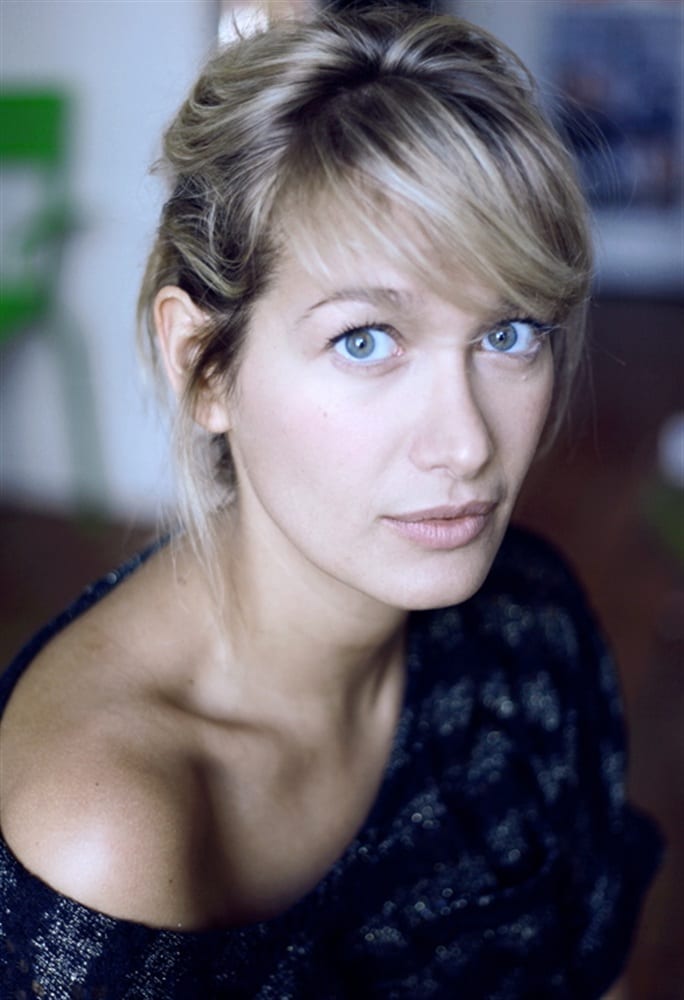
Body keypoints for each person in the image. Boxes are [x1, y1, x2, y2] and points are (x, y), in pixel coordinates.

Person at [0, 5, 662, 997]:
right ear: (203, 366)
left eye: (510, 332)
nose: (467, 443)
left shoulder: (532, 627)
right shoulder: (112, 839)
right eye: (366, 340)